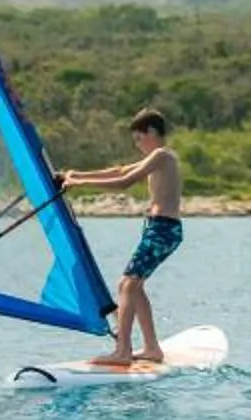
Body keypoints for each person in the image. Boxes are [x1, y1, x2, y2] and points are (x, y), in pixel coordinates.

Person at [59, 108, 185, 367]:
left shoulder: (162, 155)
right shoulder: (157, 157)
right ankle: (151, 349)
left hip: (163, 229)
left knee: (126, 285)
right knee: (135, 287)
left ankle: (122, 351)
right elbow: (118, 170)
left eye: (139, 139)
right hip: (160, 229)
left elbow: (125, 181)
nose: (138, 145)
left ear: (151, 132)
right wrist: (78, 175)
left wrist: (80, 186)